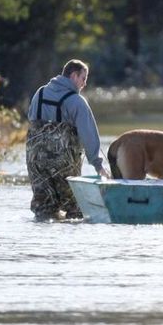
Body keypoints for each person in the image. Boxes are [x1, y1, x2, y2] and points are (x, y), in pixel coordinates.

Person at [25, 59, 109, 220]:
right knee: (75, 210)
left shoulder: (39, 93)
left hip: (35, 160)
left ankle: (41, 243)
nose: (84, 83)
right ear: (73, 76)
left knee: (43, 209)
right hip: (63, 164)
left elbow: (31, 119)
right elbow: (88, 135)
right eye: (83, 78)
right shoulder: (77, 102)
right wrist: (98, 165)